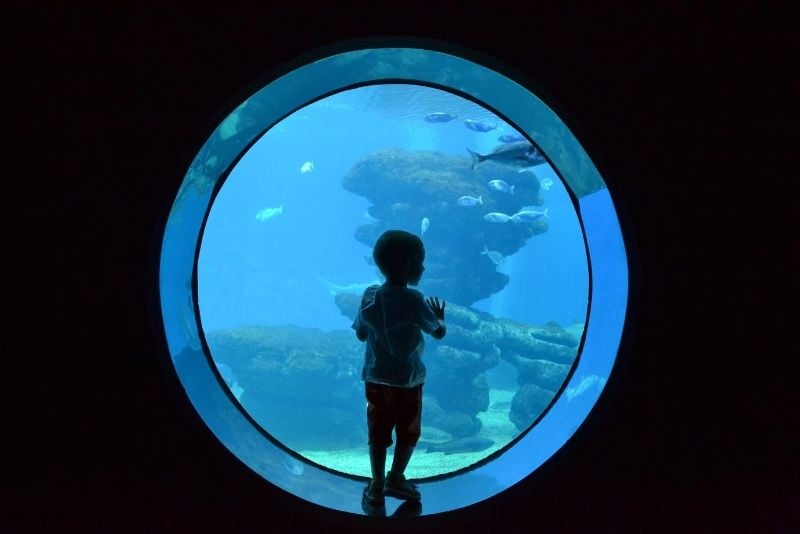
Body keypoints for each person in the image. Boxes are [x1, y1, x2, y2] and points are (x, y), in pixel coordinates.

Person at [352, 229, 446, 510]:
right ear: (407, 265)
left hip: (376, 378)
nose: (423, 267)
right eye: (420, 261)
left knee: (377, 431)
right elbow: (438, 333)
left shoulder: (369, 295)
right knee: (408, 429)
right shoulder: (414, 299)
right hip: (408, 381)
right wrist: (440, 319)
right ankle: (397, 477)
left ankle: (377, 484)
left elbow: (360, 334)